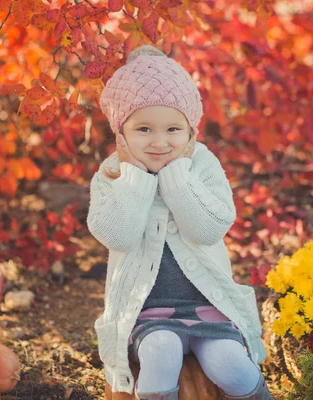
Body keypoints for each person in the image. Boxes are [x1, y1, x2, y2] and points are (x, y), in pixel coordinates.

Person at [89, 45, 272, 400]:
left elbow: (206, 230)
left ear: (192, 133)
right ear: (121, 134)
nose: (159, 142)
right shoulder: (112, 173)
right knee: (161, 350)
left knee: (229, 365)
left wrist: (176, 177)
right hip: (147, 314)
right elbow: (118, 236)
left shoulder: (202, 165)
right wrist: (136, 177)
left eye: (173, 129)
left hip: (209, 307)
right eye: (143, 129)